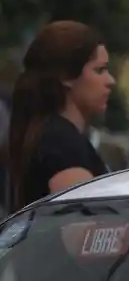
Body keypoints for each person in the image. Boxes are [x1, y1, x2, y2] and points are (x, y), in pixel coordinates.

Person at [8, 21, 114, 212]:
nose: (110, 81)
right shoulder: (63, 145)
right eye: (100, 70)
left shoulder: (48, 135)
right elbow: (81, 231)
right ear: (66, 76)